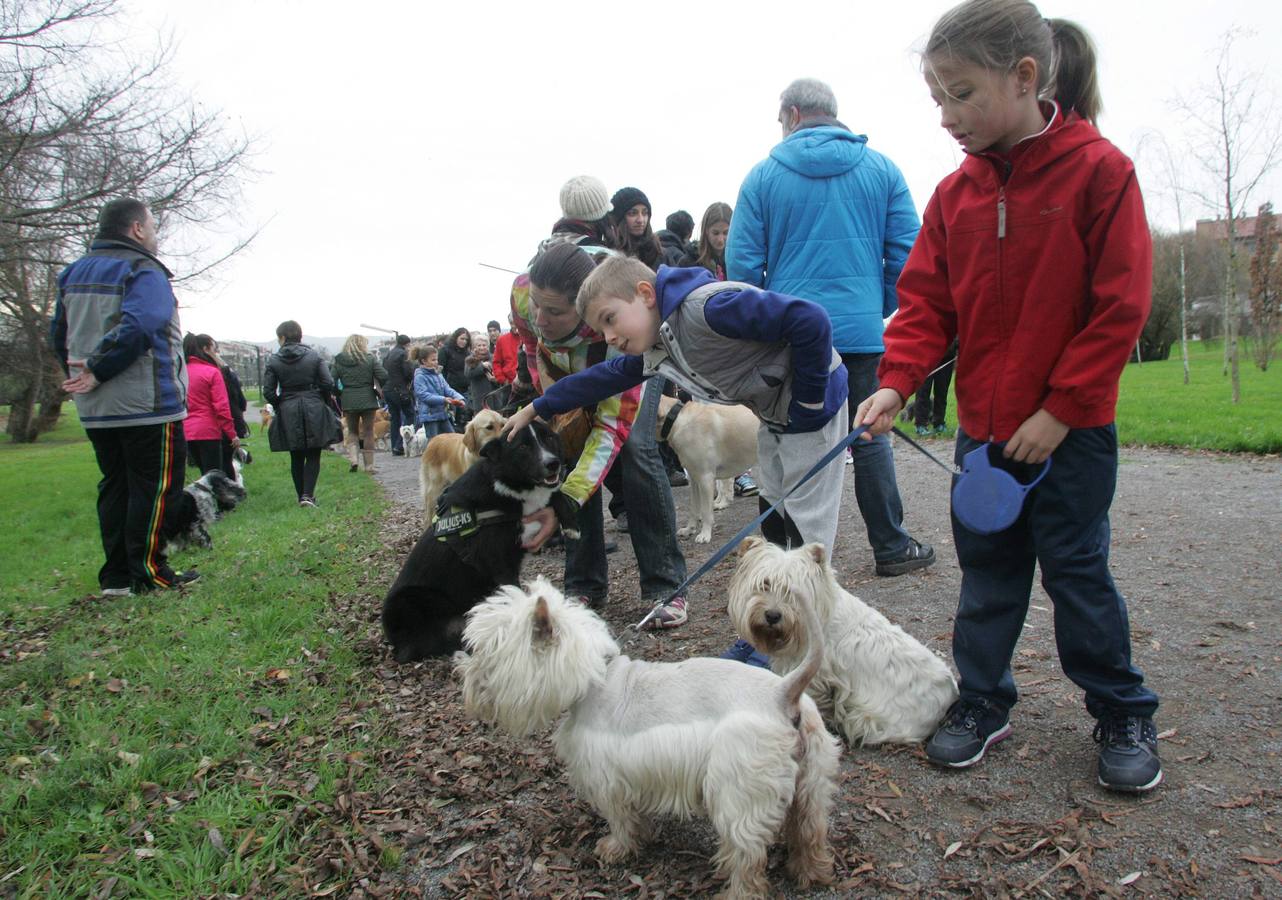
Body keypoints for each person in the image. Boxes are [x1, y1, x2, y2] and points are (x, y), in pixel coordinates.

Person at [854, 0, 1161, 793]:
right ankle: (982, 700)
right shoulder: (954, 196)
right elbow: (925, 304)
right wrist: (896, 382)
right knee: (987, 576)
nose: (948, 116)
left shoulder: (1101, 172)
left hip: (1069, 435)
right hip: (984, 437)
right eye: (938, 99)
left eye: (962, 94)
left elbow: (1119, 304)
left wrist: (1061, 410)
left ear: (1024, 77)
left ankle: (1122, 707)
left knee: (1076, 574)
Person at [506, 254, 849, 559]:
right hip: (776, 415)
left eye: (610, 319)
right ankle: (781, 619)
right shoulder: (660, 346)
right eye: (600, 329)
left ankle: (811, 619)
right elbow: (605, 376)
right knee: (774, 510)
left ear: (645, 294)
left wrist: (809, 402)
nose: (608, 337)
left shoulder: (707, 310)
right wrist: (538, 406)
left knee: (807, 533)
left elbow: (810, 320)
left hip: (813, 412)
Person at [727, 77, 934, 578]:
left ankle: (778, 556)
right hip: (860, 332)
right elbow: (909, 255)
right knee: (870, 435)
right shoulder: (883, 169)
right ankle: (889, 544)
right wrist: (875, 304)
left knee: (782, 438)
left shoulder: (762, 177)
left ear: (793, 114)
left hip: (791, 339)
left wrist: (764, 326)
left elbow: (742, 267)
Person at [509, 243, 689, 626]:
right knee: (570, 449)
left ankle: (665, 585)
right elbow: (530, 338)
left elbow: (611, 429)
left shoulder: (612, 327)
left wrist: (563, 505)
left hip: (627, 359)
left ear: (585, 311)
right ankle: (582, 584)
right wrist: (548, 401)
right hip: (562, 361)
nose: (541, 317)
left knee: (636, 449)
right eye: (537, 306)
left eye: (555, 311)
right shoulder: (524, 291)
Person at [50, 198, 198, 595]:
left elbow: (58, 335)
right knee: (155, 488)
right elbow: (141, 325)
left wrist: (81, 375)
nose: (153, 234)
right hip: (147, 402)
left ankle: (115, 577)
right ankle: (149, 572)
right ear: (135, 229)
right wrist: (99, 369)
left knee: (115, 485)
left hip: (97, 408)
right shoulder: (142, 270)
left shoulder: (73, 274)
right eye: (151, 226)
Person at [682, 202, 759, 499]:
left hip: (737, 348)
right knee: (707, 412)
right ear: (705, 233)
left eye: (727, 232)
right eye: (715, 233)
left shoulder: (741, 262)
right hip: (706, 349)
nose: (721, 239)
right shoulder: (695, 266)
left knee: (739, 412)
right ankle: (709, 478)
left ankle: (741, 473)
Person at [263, 320, 342, 507]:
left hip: (288, 406)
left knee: (296, 454)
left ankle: (301, 496)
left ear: (282, 338)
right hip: (313, 404)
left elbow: (268, 391)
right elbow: (327, 382)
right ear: (300, 336)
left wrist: (281, 403)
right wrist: (322, 400)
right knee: (314, 453)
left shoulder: (274, 360)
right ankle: (308, 495)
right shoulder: (314, 356)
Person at [182, 332, 238, 478]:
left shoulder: (179, 372)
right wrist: (232, 434)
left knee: (204, 475)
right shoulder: (211, 372)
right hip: (208, 430)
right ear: (205, 349)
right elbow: (221, 407)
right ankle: (223, 501)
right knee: (215, 475)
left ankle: (204, 499)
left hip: (186, 431)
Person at [331, 333, 389, 474]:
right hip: (368, 398)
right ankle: (369, 466)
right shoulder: (369, 359)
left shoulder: (339, 360)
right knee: (369, 432)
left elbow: (331, 380)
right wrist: (375, 386)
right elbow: (384, 375)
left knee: (352, 431)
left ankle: (354, 460)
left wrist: (340, 393)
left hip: (348, 399)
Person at [412, 345, 466, 442]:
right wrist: (443, 399)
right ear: (424, 361)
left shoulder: (438, 374)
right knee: (434, 441)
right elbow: (423, 395)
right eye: (433, 360)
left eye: (436, 359)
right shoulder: (420, 376)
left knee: (452, 439)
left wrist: (459, 398)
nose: (436, 362)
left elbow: (447, 389)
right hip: (429, 415)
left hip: (442, 413)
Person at [609, 187, 663, 271]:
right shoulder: (608, 254)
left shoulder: (659, 253)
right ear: (619, 219)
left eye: (645, 213)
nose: (640, 220)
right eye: (633, 213)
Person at [913, 339, 958, 436]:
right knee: (923, 392)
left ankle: (939, 423)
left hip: (947, 356)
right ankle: (920, 425)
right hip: (925, 355)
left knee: (942, 392)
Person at [383, 333, 416, 456]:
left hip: (388, 389)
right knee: (410, 415)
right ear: (407, 344)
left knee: (395, 418)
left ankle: (394, 447)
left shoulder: (389, 354)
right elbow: (408, 372)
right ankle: (400, 444)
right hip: (400, 390)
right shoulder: (403, 354)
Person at [684, 202, 733, 279]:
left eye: (725, 233)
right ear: (706, 231)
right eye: (715, 233)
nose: (720, 239)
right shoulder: (689, 262)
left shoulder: (738, 261)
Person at [464, 335, 497, 413]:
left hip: (495, 396)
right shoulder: (470, 359)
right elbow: (468, 373)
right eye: (479, 345)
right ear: (475, 347)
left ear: (488, 346)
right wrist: (482, 366)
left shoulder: (494, 357)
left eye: (484, 345)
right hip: (479, 396)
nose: (482, 347)